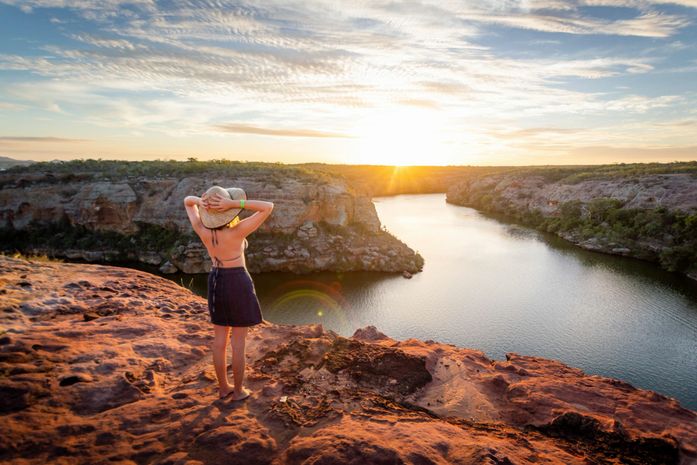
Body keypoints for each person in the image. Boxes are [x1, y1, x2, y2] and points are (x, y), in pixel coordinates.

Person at [183, 186, 274, 401]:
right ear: (227, 211)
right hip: (237, 280)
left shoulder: (202, 229)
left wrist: (201, 202)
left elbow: (187, 201)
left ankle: (224, 388)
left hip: (216, 278)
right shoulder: (237, 231)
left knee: (219, 341)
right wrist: (234, 204)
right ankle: (239, 391)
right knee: (238, 342)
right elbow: (268, 207)